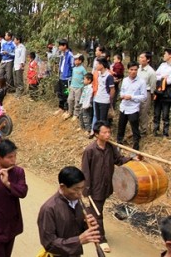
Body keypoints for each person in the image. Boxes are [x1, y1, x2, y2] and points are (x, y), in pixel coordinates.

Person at [81, 120, 137, 253]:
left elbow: (119, 160)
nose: (108, 135)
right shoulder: (90, 150)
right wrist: (86, 189)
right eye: (104, 132)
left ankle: (85, 221)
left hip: (107, 186)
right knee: (98, 213)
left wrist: (132, 159)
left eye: (109, 132)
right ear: (96, 134)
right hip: (95, 188)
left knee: (94, 210)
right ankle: (101, 239)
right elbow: (85, 171)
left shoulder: (111, 148)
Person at [37, 166, 100, 257]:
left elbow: (76, 227)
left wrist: (87, 225)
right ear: (62, 187)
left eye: (82, 188)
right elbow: (49, 244)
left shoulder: (77, 202)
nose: (80, 193)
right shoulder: (49, 209)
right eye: (75, 189)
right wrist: (79, 240)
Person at [116, 61, 147, 150]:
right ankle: (119, 144)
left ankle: (136, 147)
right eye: (131, 69)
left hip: (133, 108)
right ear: (128, 70)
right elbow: (122, 90)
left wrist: (132, 97)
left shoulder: (141, 82)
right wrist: (122, 95)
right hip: (123, 107)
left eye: (135, 70)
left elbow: (144, 97)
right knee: (121, 127)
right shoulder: (125, 80)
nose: (133, 71)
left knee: (135, 129)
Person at [137, 52, 156, 135]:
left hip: (146, 92)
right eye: (139, 57)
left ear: (148, 59)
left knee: (144, 112)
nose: (140, 59)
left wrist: (151, 96)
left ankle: (143, 130)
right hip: (137, 92)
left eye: (142, 57)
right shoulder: (138, 68)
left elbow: (152, 85)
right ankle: (137, 129)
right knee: (137, 111)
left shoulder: (151, 72)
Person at [153, 48, 171, 137]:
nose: (164, 55)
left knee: (165, 113)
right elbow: (156, 75)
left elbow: (169, 81)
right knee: (156, 112)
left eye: (165, 54)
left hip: (167, 93)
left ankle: (165, 132)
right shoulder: (162, 65)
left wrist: (163, 78)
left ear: (169, 55)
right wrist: (163, 77)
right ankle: (155, 130)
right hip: (158, 91)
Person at [54, 39, 74, 115]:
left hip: (67, 78)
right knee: (60, 93)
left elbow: (72, 67)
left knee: (66, 93)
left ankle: (66, 109)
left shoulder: (70, 55)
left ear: (65, 46)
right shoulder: (62, 54)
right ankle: (61, 108)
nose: (59, 47)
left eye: (60, 45)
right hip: (61, 76)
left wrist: (71, 78)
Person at [64, 54, 86, 121]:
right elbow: (73, 77)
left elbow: (86, 77)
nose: (75, 61)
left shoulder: (82, 69)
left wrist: (83, 83)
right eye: (75, 59)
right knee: (70, 99)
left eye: (76, 59)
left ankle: (76, 114)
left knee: (77, 101)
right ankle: (70, 112)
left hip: (79, 87)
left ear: (80, 61)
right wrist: (70, 86)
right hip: (72, 86)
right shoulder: (74, 68)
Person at [93, 57, 115, 123]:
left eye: (97, 64)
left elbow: (112, 89)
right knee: (98, 119)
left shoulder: (109, 76)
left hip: (104, 100)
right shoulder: (99, 74)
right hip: (97, 99)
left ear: (102, 65)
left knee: (103, 120)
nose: (96, 66)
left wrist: (110, 100)